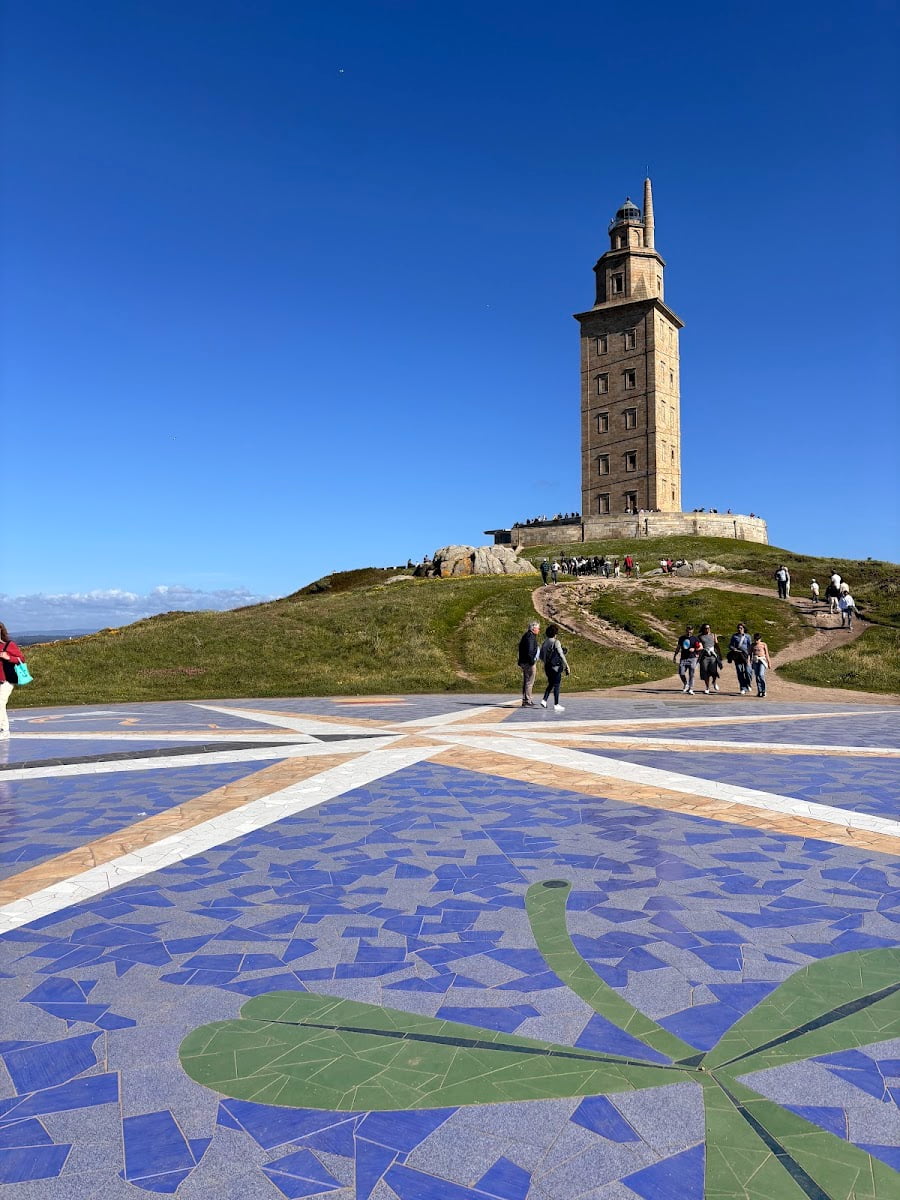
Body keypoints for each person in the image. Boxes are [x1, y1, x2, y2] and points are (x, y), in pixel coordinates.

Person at [0, 622, 26, 738]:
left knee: (0, 703)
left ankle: (3, 730)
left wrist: (8, 657)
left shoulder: (9, 645)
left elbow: (21, 659)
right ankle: (4, 730)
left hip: (7, 680)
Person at [539, 623, 570, 712]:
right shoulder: (556, 642)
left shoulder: (545, 643)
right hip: (555, 667)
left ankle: (544, 700)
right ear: (555, 633)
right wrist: (567, 665)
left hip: (547, 667)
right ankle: (556, 704)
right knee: (556, 685)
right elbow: (561, 654)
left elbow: (541, 656)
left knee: (551, 683)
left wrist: (547, 661)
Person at [517, 621, 541, 707]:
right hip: (528, 662)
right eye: (538, 628)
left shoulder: (527, 635)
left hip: (524, 661)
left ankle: (526, 699)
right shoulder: (530, 637)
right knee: (529, 681)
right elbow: (530, 651)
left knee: (526, 681)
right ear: (533, 629)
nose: (539, 630)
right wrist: (532, 661)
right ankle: (527, 700)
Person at [673, 625, 701, 695]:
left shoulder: (695, 638)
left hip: (692, 658)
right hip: (683, 658)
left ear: (693, 631)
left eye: (690, 631)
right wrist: (675, 656)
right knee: (681, 673)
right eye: (688, 630)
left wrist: (694, 649)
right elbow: (678, 647)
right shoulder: (682, 638)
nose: (689, 632)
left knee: (691, 674)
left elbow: (700, 647)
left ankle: (691, 689)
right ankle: (686, 683)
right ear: (686, 630)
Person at [728, 623, 753, 694]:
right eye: (738, 628)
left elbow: (750, 647)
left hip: (745, 655)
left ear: (744, 629)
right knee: (740, 671)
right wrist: (733, 649)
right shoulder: (734, 636)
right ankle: (742, 687)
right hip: (737, 655)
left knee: (748, 671)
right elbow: (730, 645)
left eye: (741, 628)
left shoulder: (747, 636)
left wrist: (749, 656)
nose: (739, 629)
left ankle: (748, 683)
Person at [697, 623, 722, 694]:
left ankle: (714, 682)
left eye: (708, 628)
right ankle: (707, 687)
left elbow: (717, 645)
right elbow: (699, 646)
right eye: (705, 628)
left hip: (713, 656)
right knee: (705, 671)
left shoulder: (713, 635)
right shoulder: (700, 636)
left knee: (714, 671)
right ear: (703, 629)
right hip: (704, 656)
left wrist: (719, 654)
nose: (707, 629)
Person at [750, 632, 771, 697]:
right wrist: (749, 661)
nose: (756, 641)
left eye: (758, 639)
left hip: (762, 660)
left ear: (760, 639)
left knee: (761, 675)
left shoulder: (763, 644)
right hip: (755, 660)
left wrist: (769, 662)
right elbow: (750, 654)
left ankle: (764, 691)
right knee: (757, 676)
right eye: (755, 639)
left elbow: (767, 654)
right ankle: (759, 691)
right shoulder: (752, 645)